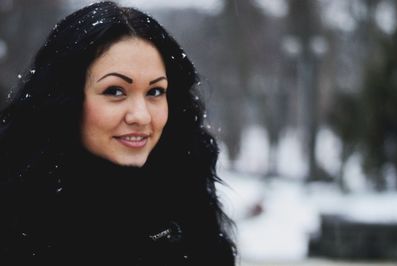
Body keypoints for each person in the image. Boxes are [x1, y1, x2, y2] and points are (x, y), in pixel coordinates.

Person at [0, 1, 236, 265]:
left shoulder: (188, 205)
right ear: (65, 98)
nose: (141, 115)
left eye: (155, 92)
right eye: (115, 91)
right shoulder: (14, 218)